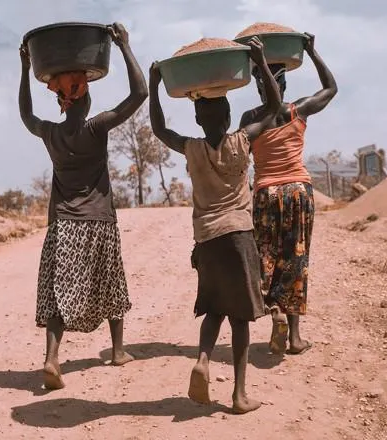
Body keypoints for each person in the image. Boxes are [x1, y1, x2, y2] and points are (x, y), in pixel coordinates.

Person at [149, 37, 280, 414]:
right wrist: (259, 61)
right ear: (227, 117)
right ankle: (239, 395)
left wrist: (157, 84)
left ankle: (203, 360)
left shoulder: (190, 147)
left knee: (213, 308)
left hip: (206, 239)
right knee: (240, 317)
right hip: (239, 235)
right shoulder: (243, 140)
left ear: (197, 119)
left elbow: (159, 129)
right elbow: (272, 107)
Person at [18, 22, 148, 390]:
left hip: (63, 224)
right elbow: (140, 94)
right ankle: (118, 350)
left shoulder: (51, 133)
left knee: (61, 291)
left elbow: (26, 114)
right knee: (111, 285)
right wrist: (124, 46)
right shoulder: (96, 128)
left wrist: (25, 69)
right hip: (99, 221)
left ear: (61, 102)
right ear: (84, 100)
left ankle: (51, 358)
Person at [238, 33, 337, 356]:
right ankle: (294, 338)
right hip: (298, 191)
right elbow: (331, 88)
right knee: (296, 260)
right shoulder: (299, 110)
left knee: (266, 259)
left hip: (267, 192)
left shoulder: (250, 119)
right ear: (283, 86)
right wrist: (312, 50)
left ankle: (275, 312)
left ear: (259, 85)